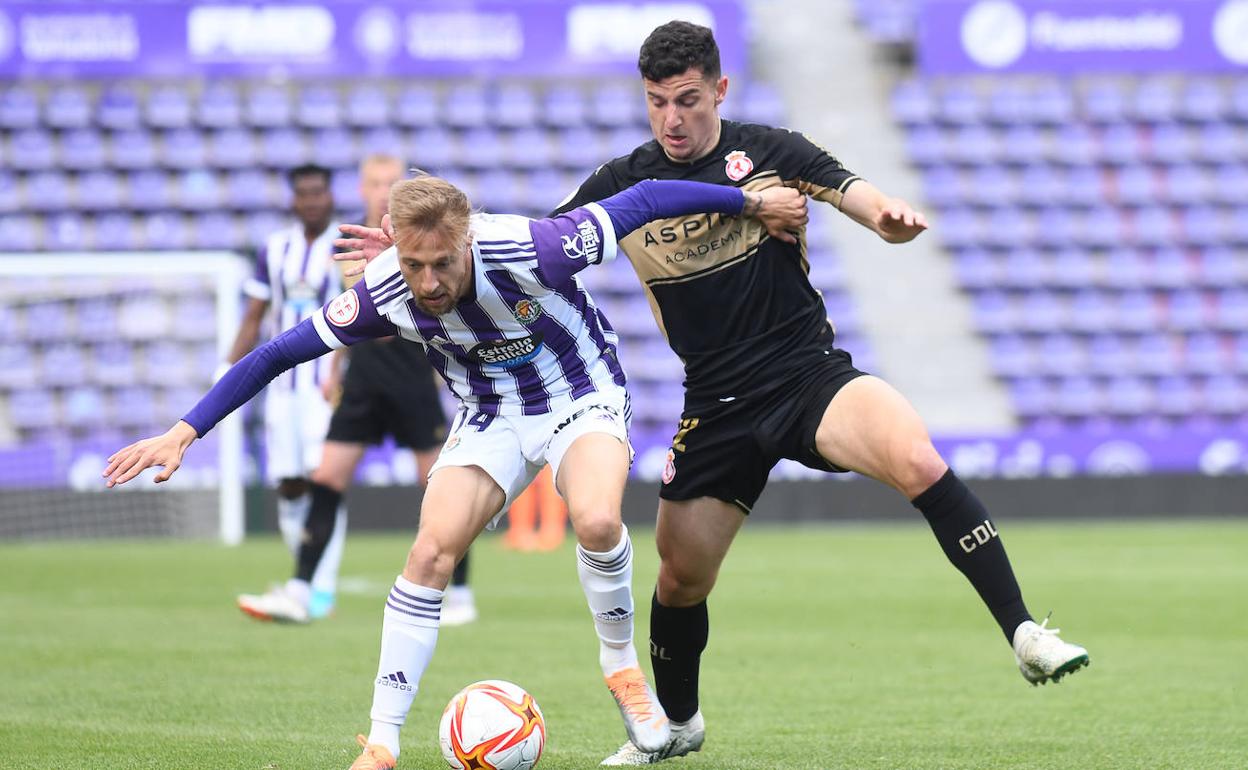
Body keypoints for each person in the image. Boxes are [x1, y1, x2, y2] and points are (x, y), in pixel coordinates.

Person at [102, 174, 807, 770]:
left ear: (467, 237)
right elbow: (276, 353)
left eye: (443, 263)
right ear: (393, 242)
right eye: (414, 265)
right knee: (429, 552)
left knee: (595, 518)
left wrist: (751, 204)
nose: (429, 283)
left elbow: (648, 196)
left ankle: (623, 670)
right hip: (490, 415)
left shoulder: (538, 247)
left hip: (580, 394)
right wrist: (185, 430)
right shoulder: (385, 289)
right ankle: (381, 742)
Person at [545, 22, 1091, 765]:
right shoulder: (623, 183)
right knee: (678, 579)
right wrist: (441, 248)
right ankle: (678, 726)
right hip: (715, 406)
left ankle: (1025, 633)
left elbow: (862, 197)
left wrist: (887, 219)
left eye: (687, 100)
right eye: (656, 103)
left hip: (808, 376)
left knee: (917, 458)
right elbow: (536, 248)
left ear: (720, 90)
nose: (671, 119)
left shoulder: (771, 150)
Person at [237, 154, 476, 626]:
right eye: (374, 183)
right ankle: (302, 588)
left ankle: (461, 594)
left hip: (410, 374)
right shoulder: (349, 243)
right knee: (325, 479)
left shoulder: (421, 243)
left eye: (391, 181)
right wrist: (336, 366)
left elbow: (396, 315)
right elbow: (351, 315)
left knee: (441, 484)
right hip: (363, 376)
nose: (382, 189)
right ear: (364, 189)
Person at [222, 163, 349, 624]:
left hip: (323, 385)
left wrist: (340, 372)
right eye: (304, 194)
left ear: (330, 196)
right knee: (290, 484)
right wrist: (227, 369)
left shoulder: (346, 245)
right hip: (282, 388)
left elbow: (358, 315)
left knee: (324, 483)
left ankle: (320, 591)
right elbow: (255, 315)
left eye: (319, 192)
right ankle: (305, 577)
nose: (312, 200)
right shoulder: (274, 249)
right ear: (293, 200)